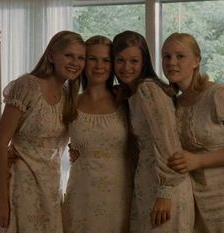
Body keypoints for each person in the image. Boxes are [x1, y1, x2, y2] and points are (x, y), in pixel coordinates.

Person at [0, 30, 86, 233]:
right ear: (51, 55)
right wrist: (0, 199)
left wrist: (78, 150)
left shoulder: (68, 96)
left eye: (81, 57)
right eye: (69, 55)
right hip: (19, 185)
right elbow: (0, 142)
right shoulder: (27, 85)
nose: (75, 62)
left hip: (51, 188)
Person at [112, 30, 194, 233]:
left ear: (144, 62)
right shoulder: (132, 94)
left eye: (134, 61)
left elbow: (168, 141)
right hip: (147, 183)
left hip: (165, 187)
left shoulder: (148, 89)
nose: (126, 67)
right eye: (120, 60)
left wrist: (165, 193)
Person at [62, 35, 133, 233]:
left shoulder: (126, 100)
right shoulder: (69, 101)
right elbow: (45, 137)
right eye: (92, 59)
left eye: (105, 60)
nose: (99, 66)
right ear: (84, 62)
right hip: (80, 194)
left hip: (119, 195)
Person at [163, 32, 224, 233]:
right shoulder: (174, 103)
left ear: (196, 61)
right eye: (166, 56)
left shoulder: (218, 94)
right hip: (190, 202)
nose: (172, 62)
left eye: (180, 56)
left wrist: (199, 161)